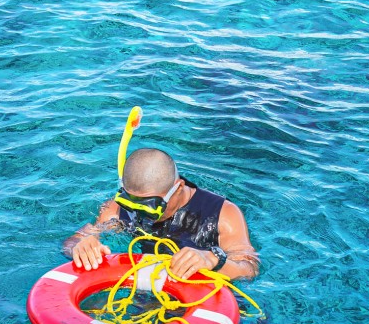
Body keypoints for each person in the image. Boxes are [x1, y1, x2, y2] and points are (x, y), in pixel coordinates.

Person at [62, 110, 259, 281]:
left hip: (201, 291)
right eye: (131, 203)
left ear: (179, 187)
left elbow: (249, 268)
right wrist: (80, 246)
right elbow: (76, 240)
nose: (142, 214)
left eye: (151, 206)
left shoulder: (224, 214)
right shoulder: (116, 207)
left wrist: (212, 260)